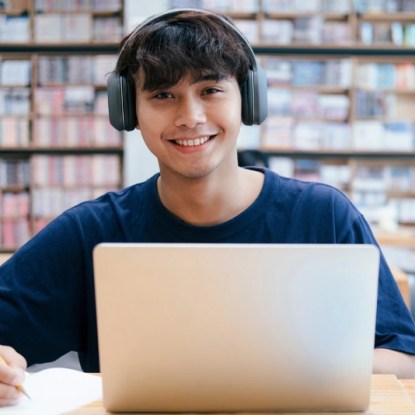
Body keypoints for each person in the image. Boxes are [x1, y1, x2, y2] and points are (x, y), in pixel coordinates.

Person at [1, 7, 415, 407]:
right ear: (127, 111)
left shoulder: (323, 216)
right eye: (163, 95)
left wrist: (281, 369)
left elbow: (404, 361)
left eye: (210, 90)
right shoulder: (90, 232)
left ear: (249, 99)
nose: (191, 117)